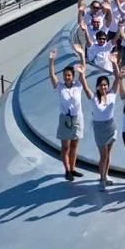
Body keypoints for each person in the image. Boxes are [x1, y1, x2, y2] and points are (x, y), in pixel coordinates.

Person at [48, 45, 93, 181]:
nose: (67, 77)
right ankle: (67, 170)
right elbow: (52, 76)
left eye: (69, 75)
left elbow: (82, 70)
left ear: (73, 76)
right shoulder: (60, 87)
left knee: (74, 145)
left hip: (77, 118)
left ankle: (73, 168)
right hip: (65, 119)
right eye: (65, 75)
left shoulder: (78, 85)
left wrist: (81, 55)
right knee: (65, 146)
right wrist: (51, 61)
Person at [90, 58, 122, 188]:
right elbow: (85, 86)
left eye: (105, 85)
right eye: (101, 85)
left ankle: (105, 174)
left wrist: (114, 63)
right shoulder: (93, 97)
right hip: (99, 129)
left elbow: (118, 78)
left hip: (111, 127)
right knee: (103, 155)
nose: (104, 87)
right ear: (97, 86)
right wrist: (81, 74)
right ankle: (102, 179)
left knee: (108, 155)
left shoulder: (112, 94)